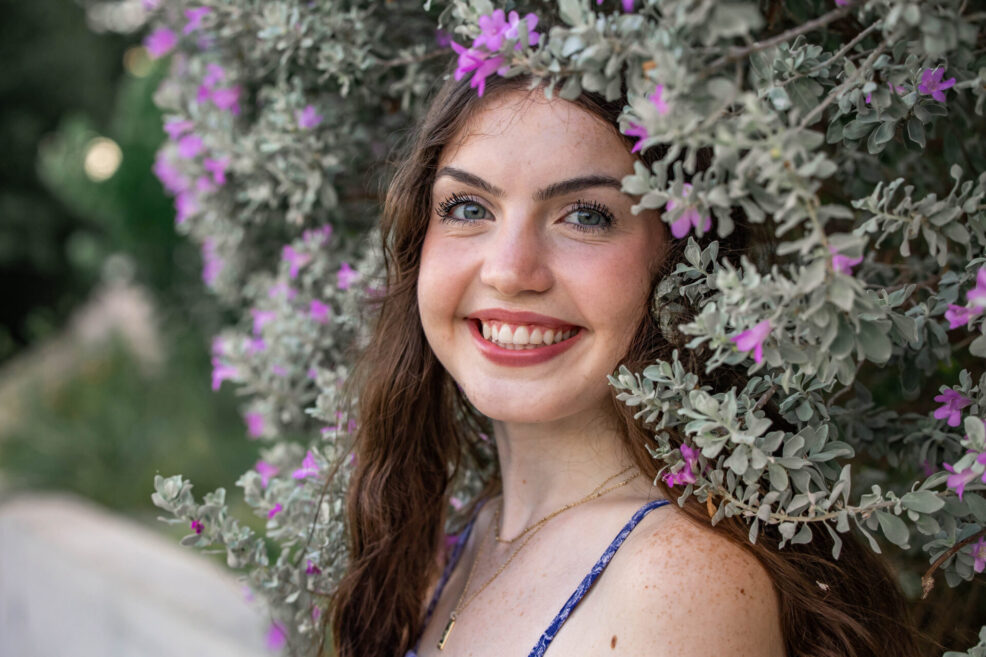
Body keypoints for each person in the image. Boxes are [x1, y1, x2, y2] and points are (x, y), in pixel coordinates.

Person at [325, 66, 923, 657]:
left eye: (586, 215)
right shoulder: (461, 540)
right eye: (467, 207)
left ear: (682, 263)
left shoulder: (675, 582)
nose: (508, 271)